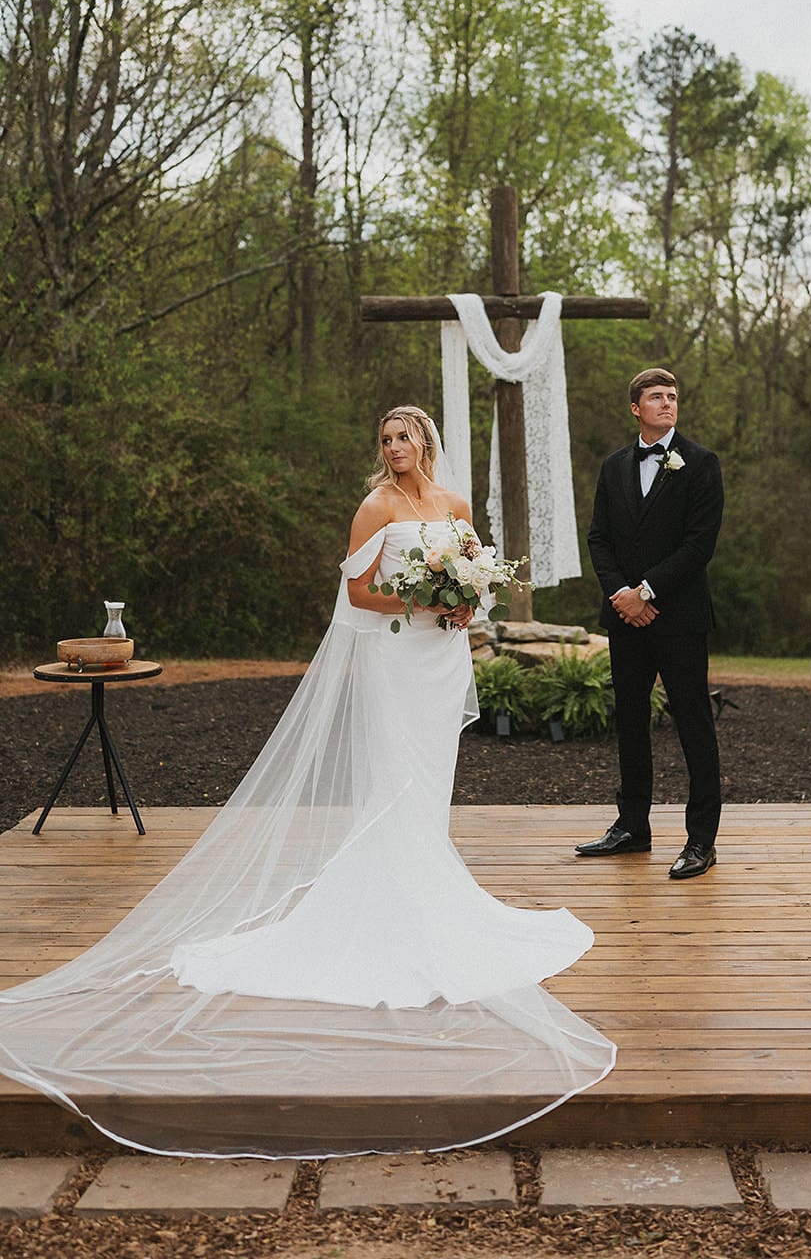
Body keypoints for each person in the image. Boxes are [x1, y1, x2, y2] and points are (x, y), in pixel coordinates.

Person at [0, 406, 614, 1158]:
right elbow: (356, 598)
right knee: (394, 780)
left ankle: (428, 890)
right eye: (384, 440)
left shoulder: (452, 505)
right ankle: (389, 907)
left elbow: (477, 574)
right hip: (393, 659)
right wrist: (424, 599)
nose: (393, 449)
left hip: (438, 660)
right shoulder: (374, 508)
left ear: (425, 441)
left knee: (428, 787)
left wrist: (462, 602)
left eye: (403, 437)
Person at [580, 369, 724, 879]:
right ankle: (632, 827)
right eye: (656, 398)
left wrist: (645, 591)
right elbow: (599, 537)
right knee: (630, 723)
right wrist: (621, 594)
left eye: (672, 397)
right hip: (625, 620)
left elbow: (699, 544)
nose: (667, 404)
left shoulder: (701, 463)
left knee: (693, 726)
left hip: (678, 617)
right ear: (635, 408)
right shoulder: (614, 466)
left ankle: (701, 840)